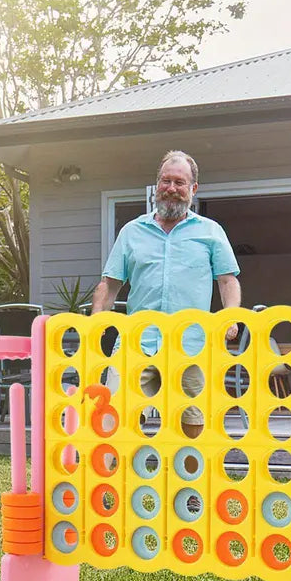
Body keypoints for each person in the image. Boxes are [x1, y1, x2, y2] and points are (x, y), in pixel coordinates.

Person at [91, 150, 241, 439]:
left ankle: (190, 471)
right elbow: (110, 284)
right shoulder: (132, 231)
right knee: (114, 417)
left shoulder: (211, 232)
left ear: (193, 189)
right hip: (137, 342)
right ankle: (111, 470)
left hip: (192, 344)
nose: (171, 188)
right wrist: (96, 320)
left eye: (179, 182)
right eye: (166, 181)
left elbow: (227, 280)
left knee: (194, 425)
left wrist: (231, 316)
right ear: (156, 185)